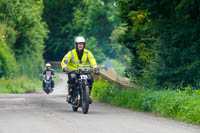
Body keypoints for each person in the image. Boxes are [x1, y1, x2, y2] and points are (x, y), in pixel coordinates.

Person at [61, 36, 99, 104]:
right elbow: (65, 61)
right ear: (76, 45)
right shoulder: (71, 53)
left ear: (84, 45)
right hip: (73, 71)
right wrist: (65, 68)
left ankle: (88, 96)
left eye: (82, 44)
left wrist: (96, 68)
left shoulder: (88, 53)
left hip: (84, 71)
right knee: (72, 78)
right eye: (79, 44)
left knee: (90, 79)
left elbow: (92, 61)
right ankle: (70, 95)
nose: (80, 45)